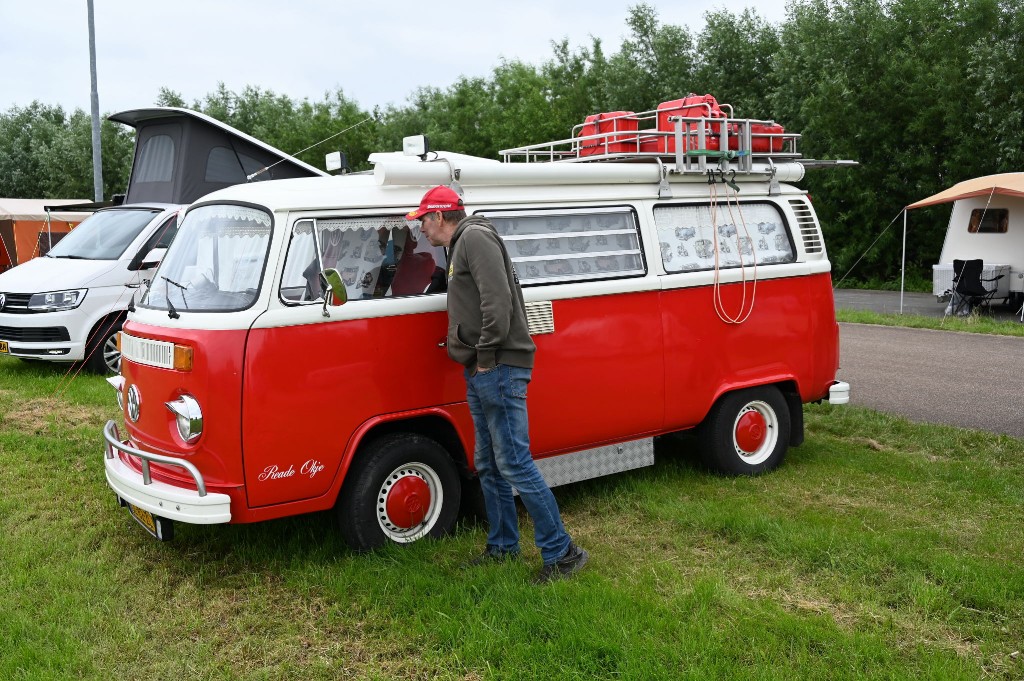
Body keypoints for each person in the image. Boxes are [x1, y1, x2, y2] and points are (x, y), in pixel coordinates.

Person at [407, 185, 588, 584]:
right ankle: (503, 546)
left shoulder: (474, 237)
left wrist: (486, 357)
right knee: (489, 464)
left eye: (422, 219)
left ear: (439, 216)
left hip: (498, 367)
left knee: (514, 463)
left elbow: (498, 302)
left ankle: (563, 553)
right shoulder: (462, 243)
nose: (420, 228)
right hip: (482, 368)